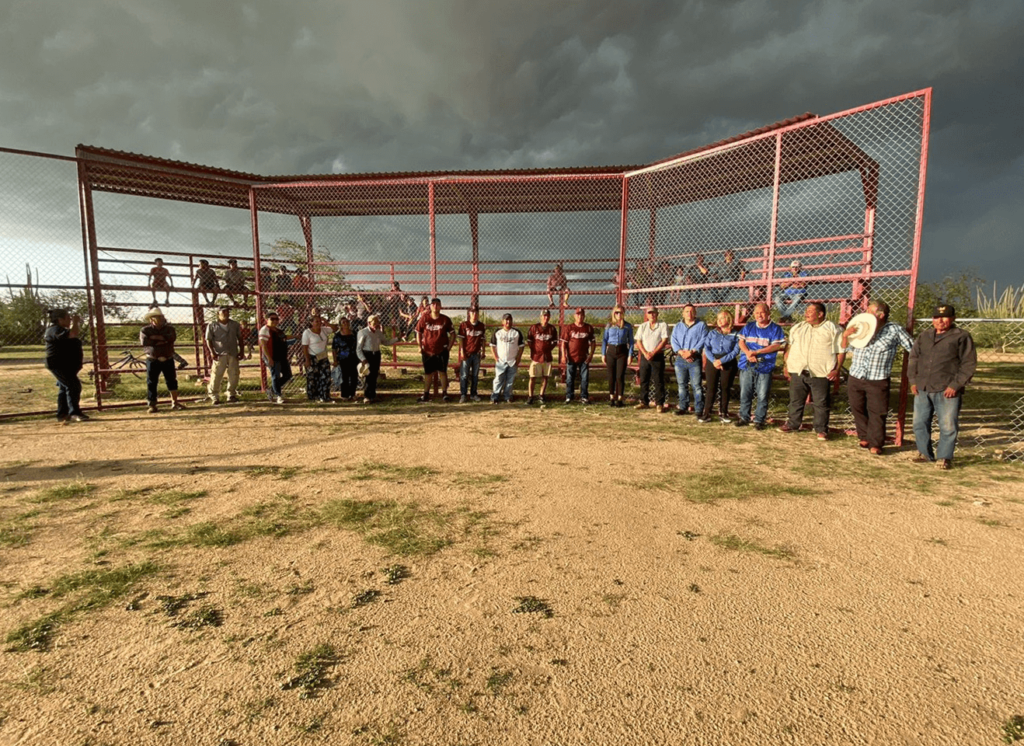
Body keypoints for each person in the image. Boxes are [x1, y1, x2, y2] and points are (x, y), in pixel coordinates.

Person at [839, 301, 914, 454]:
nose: (866, 314)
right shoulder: (861, 327)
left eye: (870, 311)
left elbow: (912, 347)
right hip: (856, 376)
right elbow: (845, 347)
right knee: (857, 407)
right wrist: (846, 335)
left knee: (877, 411)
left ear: (881, 315)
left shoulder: (894, 330)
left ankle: (876, 443)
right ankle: (864, 436)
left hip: (877, 378)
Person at [908, 303, 977, 469]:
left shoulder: (961, 336)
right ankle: (924, 453)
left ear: (952, 319)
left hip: (947, 389)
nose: (940, 321)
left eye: (944, 317)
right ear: (932, 319)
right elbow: (914, 359)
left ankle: (944, 457)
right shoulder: (924, 336)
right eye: (936, 317)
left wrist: (956, 384)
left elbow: (969, 364)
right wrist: (913, 381)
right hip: (923, 387)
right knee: (919, 423)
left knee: (947, 425)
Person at [780, 302, 841, 439]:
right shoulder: (798, 328)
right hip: (798, 369)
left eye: (810, 311)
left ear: (820, 314)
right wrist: (786, 365)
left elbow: (840, 351)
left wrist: (836, 369)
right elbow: (788, 347)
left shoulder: (833, 328)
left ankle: (821, 429)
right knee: (795, 400)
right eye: (806, 310)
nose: (806, 313)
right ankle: (792, 424)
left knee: (821, 403)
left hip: (821, 372)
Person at [735, 302, 786, 430]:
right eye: (757, 313)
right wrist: (748, 353)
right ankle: (744, 417)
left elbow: (776, 346)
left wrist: (757, 352)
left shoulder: (775, 328)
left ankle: (759, 419)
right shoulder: (749, 326)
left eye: (762, 312)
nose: (759, 315)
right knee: (745, 392)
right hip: (747, 364)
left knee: (762, 394)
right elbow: (741, 341)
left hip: (765, 365)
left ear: (768, 314)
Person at [43, 308, 88, 425]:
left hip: (66, 365)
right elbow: (73, 334)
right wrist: (76, 322)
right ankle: (75, 413)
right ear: (60, 319)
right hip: (58, 364)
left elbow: (72, 335)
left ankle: (62, 414)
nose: (70, 320)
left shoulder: (61, 329)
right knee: (73, 386)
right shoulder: (54, 329)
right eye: (68, 318)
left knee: (65, 388)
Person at [140, 308, 185, 413]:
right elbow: (145, 342)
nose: (161, 319)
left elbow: (171, 338)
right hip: (152, 359)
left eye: (161, 317)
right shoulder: (145, 330)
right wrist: (162, 339)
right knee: (152, 382)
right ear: (152, 319)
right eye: (158, 317)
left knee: (172, 380)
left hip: (167, 357)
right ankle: (152, 405)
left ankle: (175, 402)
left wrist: (155, 338)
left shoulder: (170, 329)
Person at [699, 309, 740, 423]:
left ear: (728, 319)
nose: (720, 321)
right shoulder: (712, 333)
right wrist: (714, 361)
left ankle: (724, 413)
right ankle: (706, 413)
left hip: (728, 362)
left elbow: (735, 351)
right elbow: (706, 348)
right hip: (713, 362)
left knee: (725, 388)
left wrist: (721, 361)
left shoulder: (735, 334)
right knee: (711, 388)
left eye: (722, 318)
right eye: (718, 319)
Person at [670, 303, 708, 416]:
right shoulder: (677, 326)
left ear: (695, 313)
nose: (689, 313)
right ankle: (683, 407)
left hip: (694, 358)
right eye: (686, 311)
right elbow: (673, 340)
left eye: (691, 311)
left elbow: (703, 339)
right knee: (682, 385)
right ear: (683, 313)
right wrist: (682, 353)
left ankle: (698, 409)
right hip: (680, 358)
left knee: (696, 385)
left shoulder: (701, 325)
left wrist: (691, 352)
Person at [416, 298, 455, 402]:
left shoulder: (445, 319)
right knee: (428, 373)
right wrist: (420, 346)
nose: (435, 306)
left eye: (437, 304)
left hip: (441, 350)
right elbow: (418, 332)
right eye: (433, 304)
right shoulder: (425, 318)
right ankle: (426, 394)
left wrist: (449, 347)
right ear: (430, 306)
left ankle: (445, 393)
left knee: (443, 372)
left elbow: (452, 334)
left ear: (440, 306)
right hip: (428, 350)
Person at [205, 306, 245, 405]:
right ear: (218, 313)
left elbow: (240, 338)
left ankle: (231, 394)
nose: (226, 313)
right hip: (219, 353)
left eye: (227, 311)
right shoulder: (212, 325)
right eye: (223, 311)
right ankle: (214, 395)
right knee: (217, 375)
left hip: (232, 352)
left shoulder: (234, 324)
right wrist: (212, 352)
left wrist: (241, 351)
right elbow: (208, 339)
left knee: (234, 374)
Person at [633, 306, 670, 412]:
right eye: (649, 313)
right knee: (644, 379)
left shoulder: (662, 325)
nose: (652, 315)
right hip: (645, 356)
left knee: (658, 380)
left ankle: (659, 404)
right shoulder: (643, 326)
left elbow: (664, 340)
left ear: (657, 314)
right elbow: (638, 341)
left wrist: (653, 352)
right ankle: (644, 402)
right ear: (647, 315)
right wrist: (645, 353)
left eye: (654, 313)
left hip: (657, 356)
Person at [356, 314, 395, 404]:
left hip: (376, 354)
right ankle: (367, 396)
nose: (377, 324)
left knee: (374, 375)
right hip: (367, 354)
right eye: (375, 322)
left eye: (378, 322)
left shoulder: (378, 333)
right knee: (368, 376)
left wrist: (396, 339)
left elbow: (385, 342)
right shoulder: (363, 332)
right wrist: (363, 359)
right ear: (369, 323)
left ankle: (372, 395)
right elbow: (358, 348)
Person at [560, 307, 596, 404]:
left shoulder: (588, 328)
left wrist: (591, 355)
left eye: (582, 315)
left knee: (584, 378)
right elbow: (564, 343)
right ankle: (569, 396)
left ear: (584, 316)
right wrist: (564, 355)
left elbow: (593, 342)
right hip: (571, 357)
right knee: (569, 378)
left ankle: (584, 396)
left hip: (583, 357)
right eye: (578, 314)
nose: (580, 317)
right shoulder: (569, 328)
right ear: (574, 316)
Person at [602, 305, 634, 407]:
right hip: (611, 351)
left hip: (622, 351)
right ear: (613, 313)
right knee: (611, 376)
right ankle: (611, 397)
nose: (619, 315)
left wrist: (630, 355)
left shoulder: (627, 326)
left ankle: (620, 398)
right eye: (617, 312)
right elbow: (604, 340)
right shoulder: (609, 325)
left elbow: (631, 341)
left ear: (623, 313)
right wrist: (603, 354)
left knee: (620, 376)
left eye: (621, 312)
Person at [525, 309, 559, 405]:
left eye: (547, 316)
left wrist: (548, 349)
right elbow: (529, 340)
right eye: (544, 316)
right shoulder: (534, 327)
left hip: (547, 356)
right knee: (533, 376)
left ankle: (541, 395)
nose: (546, 318)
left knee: (545, 377)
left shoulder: (552, 329)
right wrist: (535, 350)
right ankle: (530, 396)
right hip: (536, 356)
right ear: (541, 317)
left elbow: (554, 342)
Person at [258, 310, 292, 405]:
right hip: (272, 356)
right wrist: (269, 358)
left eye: (276, 319)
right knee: (275, 376)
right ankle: (278, 395)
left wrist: (297, 336)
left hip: (281, 356)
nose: (275, 321)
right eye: (272, 319)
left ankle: (272, 390)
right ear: (267, 319)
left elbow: (285, 337)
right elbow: (263, 345)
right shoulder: (265, 329)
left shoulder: (278, 330)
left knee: (287, 375)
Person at [490, 314, 524, 404]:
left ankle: (508, 396)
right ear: (502, 321)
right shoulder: (498, 332)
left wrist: (518, 359)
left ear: (512, 321)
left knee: (510, 380)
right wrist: (495, 357)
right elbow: (492, 346)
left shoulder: (516, 333)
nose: (508, 322)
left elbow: (521, 347)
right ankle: (495, 396)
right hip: (500, 361)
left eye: (509, 320)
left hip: (512, 361)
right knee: (498, 379)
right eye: (506, 320)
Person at [302, 313, 334, 403]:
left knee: (326, 376)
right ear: (311, 323)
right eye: (316, 321)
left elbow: (335, 328)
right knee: (313, 377)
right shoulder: (307, 332)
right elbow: (304, 347)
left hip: (323, 357)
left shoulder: (324, 330)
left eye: (320, 321)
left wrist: (325, 321)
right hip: (312, 357)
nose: (319, 323)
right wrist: (307, 360)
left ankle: (324, 395)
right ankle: (313, 396)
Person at [457, 306, 487, 403]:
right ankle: (463, 394)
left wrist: (483, 351)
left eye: (476, 312)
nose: (474, 314)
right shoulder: (464, 325)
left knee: (475, 375)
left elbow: (482, 340)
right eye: (472, 312)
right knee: (464, 375)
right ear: (469, 314)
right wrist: (462, 352)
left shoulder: (481, 326)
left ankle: (473, 394)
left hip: (476, 353)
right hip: (467, 353)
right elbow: (461, 339)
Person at [332, 317, 359, 401]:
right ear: (340, 325)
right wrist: (335, 360)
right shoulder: (337, 336)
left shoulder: (354, 333)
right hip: (343, 358)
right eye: (343, 322)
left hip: (354, 357)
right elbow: (334, 349)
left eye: (347, 322)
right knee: (344, 377)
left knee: (354, 376)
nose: (345, 324)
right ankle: (345, 395)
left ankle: (352, 394)